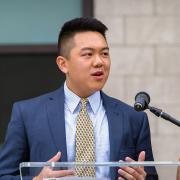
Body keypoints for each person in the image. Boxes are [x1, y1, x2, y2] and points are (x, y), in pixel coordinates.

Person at [0, 17, 158, 180]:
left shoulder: (134, 119)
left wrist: (143, 178)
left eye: (104, 53)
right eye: (88, 54)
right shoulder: (27, 114)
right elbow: (4, 175)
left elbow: (151, 176)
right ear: (63, 64)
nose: (99, 62)